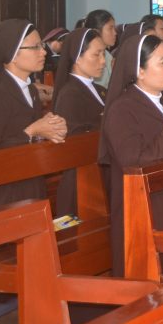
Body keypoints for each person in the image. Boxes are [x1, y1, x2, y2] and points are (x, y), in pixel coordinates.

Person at [99, 34, 163, 276]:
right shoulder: (122, 109)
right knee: (148, 283)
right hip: (143, 213)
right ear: (140, 71)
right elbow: (134, 162)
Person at [0, 20, 67, 211]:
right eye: (35, 47)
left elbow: (30, 135)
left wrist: (52, 128)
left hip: (28, 181)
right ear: (12, 53)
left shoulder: (30, 90)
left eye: (42, 45)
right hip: (1, 195)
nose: (44, 52)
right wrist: (32, 131)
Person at [52, 27, 108, 216]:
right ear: (77, 57)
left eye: (104, 54)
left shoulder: (99, 89)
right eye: (97, 54)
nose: (103, 61)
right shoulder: (70, 94)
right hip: (82, 183)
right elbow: (75, 143)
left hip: (99, 174)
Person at [84, 10, 117, 87]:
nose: (115, 33)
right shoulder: (89, 57)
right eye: (110, 28)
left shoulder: (108, 56)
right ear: (96, 32)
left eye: (114, 28)